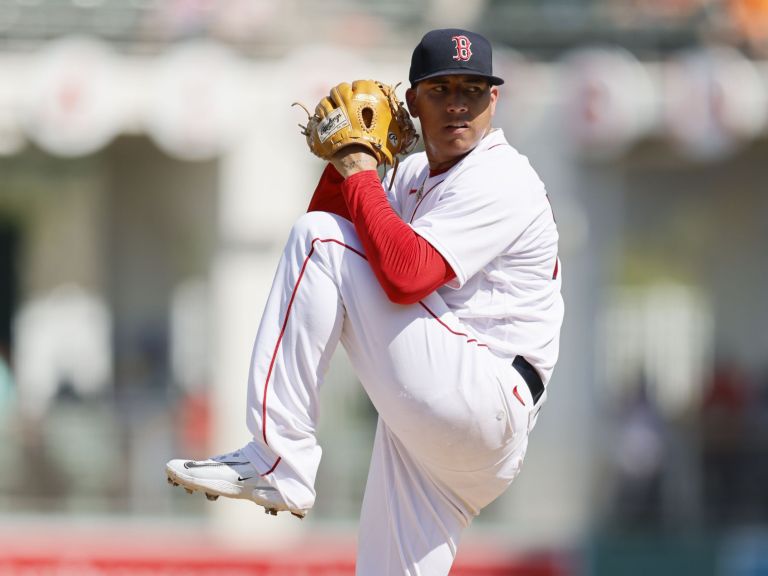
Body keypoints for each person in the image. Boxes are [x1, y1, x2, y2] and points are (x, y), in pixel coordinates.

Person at [166, 28, 564, 575]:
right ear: (412, 102)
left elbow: (401, 275)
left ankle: (277, 458)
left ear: (493, 100)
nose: (456, 104)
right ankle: (280, 461)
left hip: (484, 394)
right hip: (443, 427)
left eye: (472, 90)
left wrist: (359, 168)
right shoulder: (412, 174)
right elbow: (336, 241)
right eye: (440, 89)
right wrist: (352, 157)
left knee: (318, 240)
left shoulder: (502, 175)